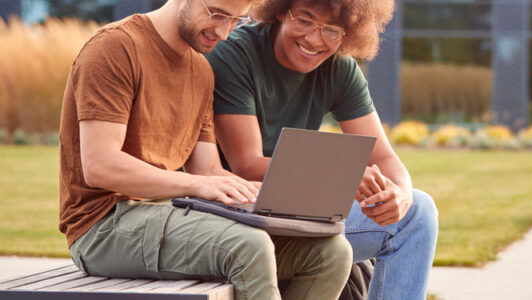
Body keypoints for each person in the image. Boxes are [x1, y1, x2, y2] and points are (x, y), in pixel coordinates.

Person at [58, 0, 353, 299]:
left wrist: (251, 193)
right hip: (102, 228)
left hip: (168, 215)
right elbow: (100, 166)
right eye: (217, 14)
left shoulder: (200, 70)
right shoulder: (116, 47)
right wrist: (198, 185)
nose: (224, 32)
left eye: (236, 21)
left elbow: (208, 170)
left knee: (330, 253)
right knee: (248, 246)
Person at [205, 0, 439, 298]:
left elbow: (383, 157)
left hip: (301, 211)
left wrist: (401, 196)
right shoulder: (235, 55)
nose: (315, 40)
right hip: (240, 217)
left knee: (418, 212)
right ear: (279, 10)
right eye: (304, 20)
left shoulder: (340, 68)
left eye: (332, 30)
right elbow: (247, 164)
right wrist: (344, 176)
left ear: (350, 32)